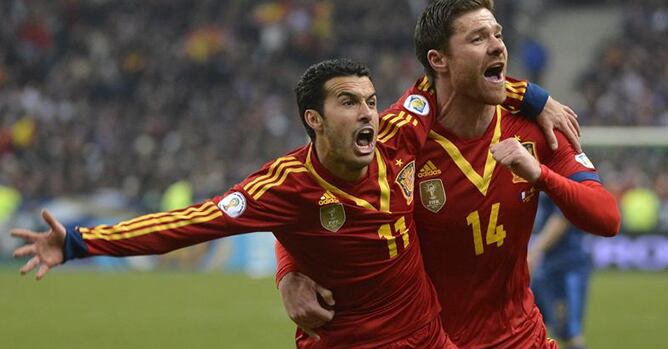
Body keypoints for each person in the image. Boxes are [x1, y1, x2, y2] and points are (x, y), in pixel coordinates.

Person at [11, 58, 460, 348]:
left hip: (430, 338)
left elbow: (450, 61)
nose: (367, 113)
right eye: (349, 102)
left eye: (371, 101)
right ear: (315, 120)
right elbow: (188, 223)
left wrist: (534, 98)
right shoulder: (285, 186)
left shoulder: (400, 134)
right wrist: (78, 240)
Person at [274, 1, 621, 348]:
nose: (498, 45)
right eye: (477, 38)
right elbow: (309, 193)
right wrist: (288, 274)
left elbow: (606, 218)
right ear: (438, 59)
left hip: (520, 337)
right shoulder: (398, 141)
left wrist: (542, 175)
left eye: (498, 35)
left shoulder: (537, 125)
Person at [529, 194, 593, 349]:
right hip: (547, 265)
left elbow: (563, 217)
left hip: (567, 266)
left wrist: (534, 251)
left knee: (569, 333)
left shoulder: (567, 176)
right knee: (527, 326)